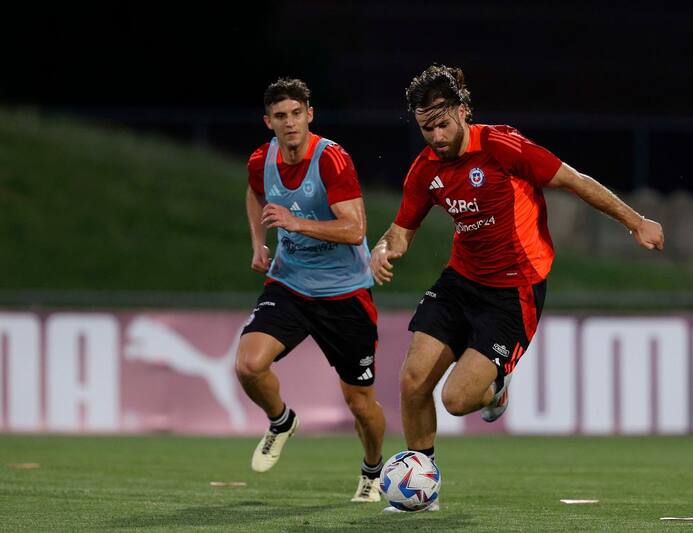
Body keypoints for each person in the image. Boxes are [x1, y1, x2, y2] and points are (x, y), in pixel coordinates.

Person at [371, 65, 664, 511]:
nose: (435, 136)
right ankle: (422, 486)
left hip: (514, 291)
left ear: (464, 112)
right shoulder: (425, 169)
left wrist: (635, 221)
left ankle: (497, 386)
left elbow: (575, 181)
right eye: (426, 127)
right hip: (460, 280)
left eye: (443, 123)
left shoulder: (503, 147)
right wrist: (384, 248)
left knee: (456, 399)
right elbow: (402, 229)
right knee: (412, 380)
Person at [236, 78, 385, 503]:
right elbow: (253, 192)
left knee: (360, 404)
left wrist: (295, 222)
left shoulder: (331, 160)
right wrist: (257, 242)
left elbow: (356, 229)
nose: (290, 123)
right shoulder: (260, 160)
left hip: (345, 293)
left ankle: (372, 471)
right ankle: (281, 421)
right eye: (280, 116)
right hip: (290, 283)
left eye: (296, 114)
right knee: (248, 366)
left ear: (310, 115)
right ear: (269, 122)